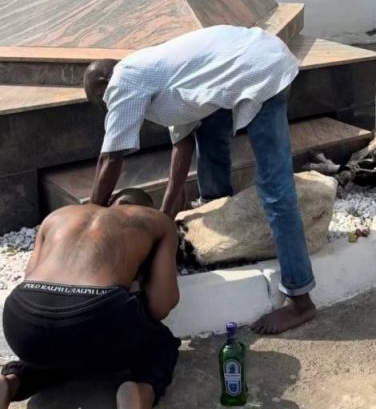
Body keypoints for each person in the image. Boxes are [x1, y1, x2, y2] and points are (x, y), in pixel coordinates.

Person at [84, 25, 317, 335]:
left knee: (275, 187)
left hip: (261, 68)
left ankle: (301, 299)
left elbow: (110, 157)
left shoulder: (124, 79)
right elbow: (183, 144)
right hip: (250, 53)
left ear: (103, 83)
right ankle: (218, 203)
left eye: (102, 103)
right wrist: (166, 215)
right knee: (209, 129)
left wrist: (88, 219)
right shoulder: (156, 77)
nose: (108, 109)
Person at [0, 190, 181, 409]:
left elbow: (30, 275)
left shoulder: (58, 215)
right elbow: (162, 304)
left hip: (22, 316)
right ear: (146, 208)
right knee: (162, 344)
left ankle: (10, 383)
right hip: (96, 318)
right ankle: (141, 394)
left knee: (52, 352)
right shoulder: (156, 220)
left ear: (111, 202)